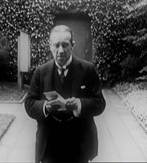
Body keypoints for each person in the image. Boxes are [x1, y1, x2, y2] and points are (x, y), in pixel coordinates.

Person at [24, 25, 106, 163]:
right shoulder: (41, 72)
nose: (60, 50)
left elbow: (100, 103)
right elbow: (29, 103)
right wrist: (45, 107)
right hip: (49, 143)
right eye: (56, 45)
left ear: (72, 45)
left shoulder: (88, 70)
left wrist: (79, 104)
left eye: (65, 45)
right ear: (50, 46)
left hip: (79, 143)